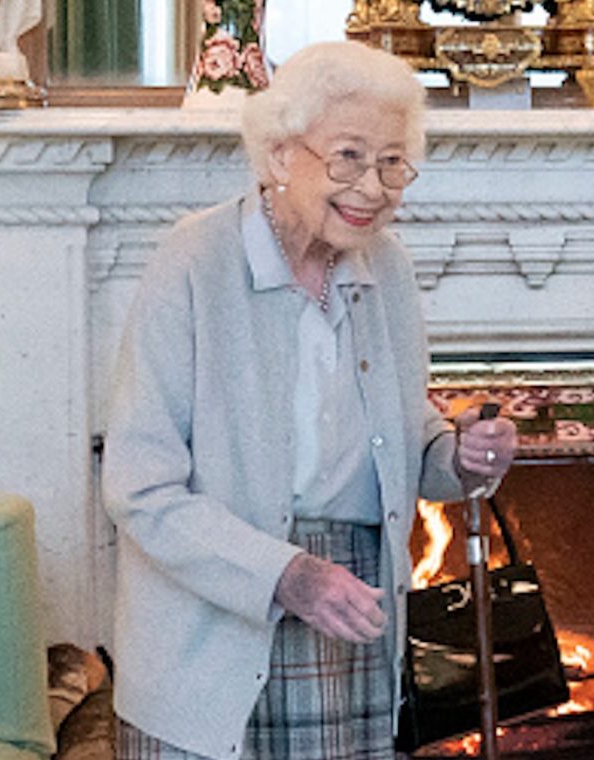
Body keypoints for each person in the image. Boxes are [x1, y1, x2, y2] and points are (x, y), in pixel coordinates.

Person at [101, 40, 517, 760]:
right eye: (349, 156)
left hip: (349, 612)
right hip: (217, 629)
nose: (374, 185)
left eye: (392, 162)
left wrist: (463, 455)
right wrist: (286, 575)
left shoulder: (387, 269)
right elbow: (140, 489)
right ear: (279, 154)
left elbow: (406, 441)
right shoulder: (193, 262)